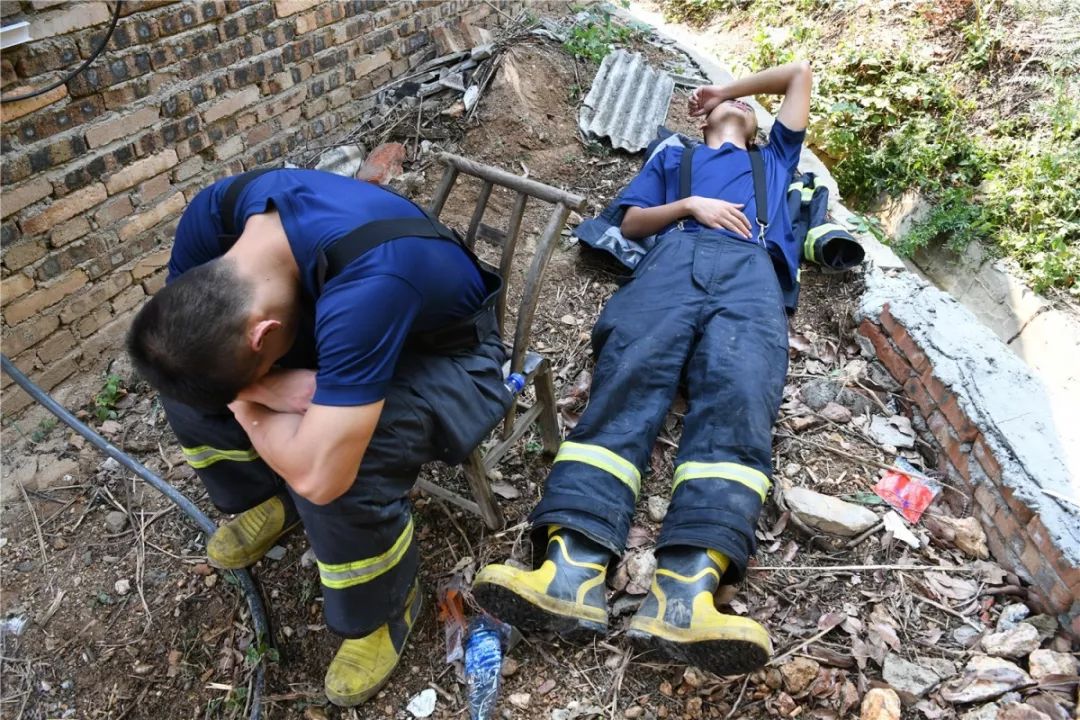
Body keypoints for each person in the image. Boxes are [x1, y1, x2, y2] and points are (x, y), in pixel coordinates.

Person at [472, 61, 812, 675]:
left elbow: (798, 74)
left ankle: (685, 594)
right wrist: (691, 205)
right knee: (628, 376)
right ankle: (568, 573)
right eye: (717, 108)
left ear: (760, 124)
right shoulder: (672, 157)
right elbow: (629, 223)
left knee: (740, 395)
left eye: (746, 108)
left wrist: (728, 91)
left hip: (750, 275)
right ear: (700, 120)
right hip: (672, 262)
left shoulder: (774, 160)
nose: (734, 110)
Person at [126, 169, 511, 706]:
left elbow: (322, 477)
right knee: (186, 380)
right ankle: (268, 500)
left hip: (447, 354)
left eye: (262, 364)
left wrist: (249, 397)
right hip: (340, 320)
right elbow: (183, 342)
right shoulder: (212, 218)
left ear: (262, 334)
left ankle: (386, 608)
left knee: (348, 459)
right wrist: (265, 391)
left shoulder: (369, 288)